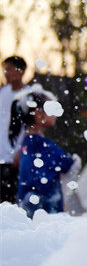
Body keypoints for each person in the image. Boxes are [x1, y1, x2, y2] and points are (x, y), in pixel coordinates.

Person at [12, 87, 76, 218]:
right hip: (48, 214)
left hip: (27, 210)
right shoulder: (43, 145)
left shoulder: (25, 144)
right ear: (38, 114)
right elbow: (69, 163)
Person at [0, 56, 31, 204]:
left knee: (11, 201)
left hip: (15, 157)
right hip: (1, 153)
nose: (6, 73)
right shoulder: (2, 92)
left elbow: (29, 127)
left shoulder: (29, 95)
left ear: (21, 71)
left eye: (10, 69)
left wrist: (21, 151)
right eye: (4, 69)